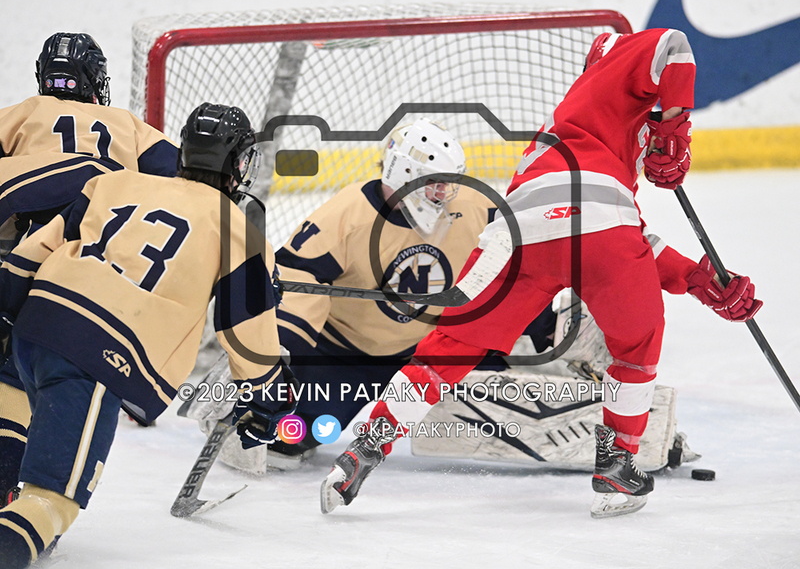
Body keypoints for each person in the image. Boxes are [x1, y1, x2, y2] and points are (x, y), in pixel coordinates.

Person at [320, 28, 763, 518]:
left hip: (519, 231)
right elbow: (672, 46)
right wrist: (675, 127)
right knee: (636, 343)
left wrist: (699, 279)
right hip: (600, 227)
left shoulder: (572, 131)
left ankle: (364, 449)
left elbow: (610, 225)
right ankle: (617, 464)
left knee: (450, 349)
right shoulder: (615, 63)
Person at [0, 102, 293, 568]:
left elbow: (30, 254)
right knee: (52, 502)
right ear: (239, 165)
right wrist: (268, 400)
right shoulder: (238, 227)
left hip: (36, 328)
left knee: (23, 417)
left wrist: (10, 312)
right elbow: (245, 330)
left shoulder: (113, 182)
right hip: (97, 354)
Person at [187, 117, 558, 473]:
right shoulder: (347, 215)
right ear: (402, 174)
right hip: (346, 356)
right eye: (433, 183)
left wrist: (547, 329)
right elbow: (298, 278)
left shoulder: (475, 208)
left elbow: (509, 272)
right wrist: (272, 358)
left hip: (435, 349)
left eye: (449, 182)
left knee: (509, 415)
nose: (443, 193)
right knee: (288, 435)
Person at [0, 32, 179, 506]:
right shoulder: (127, 125)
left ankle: (9, 493)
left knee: (10, 376)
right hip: (100, 284)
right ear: (96, 80)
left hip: (26, 265)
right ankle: (43, 501)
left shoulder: (21, 113)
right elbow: (186, 184)